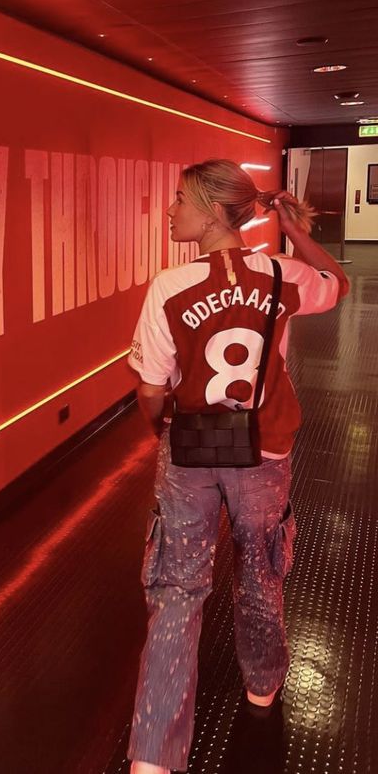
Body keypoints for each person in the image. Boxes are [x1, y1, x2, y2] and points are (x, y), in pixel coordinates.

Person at [126, 159, 350, 774]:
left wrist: (162, 430)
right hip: (265, 450)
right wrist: (291, 227)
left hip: (190, 450)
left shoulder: (169, 287)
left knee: (177, 587)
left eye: (179, 200)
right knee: (260, 567)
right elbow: (339, 281)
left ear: (211, 210)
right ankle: (263, 682)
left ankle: (153, 754)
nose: (170, 210)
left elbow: (149, 389)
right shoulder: (285, 275)